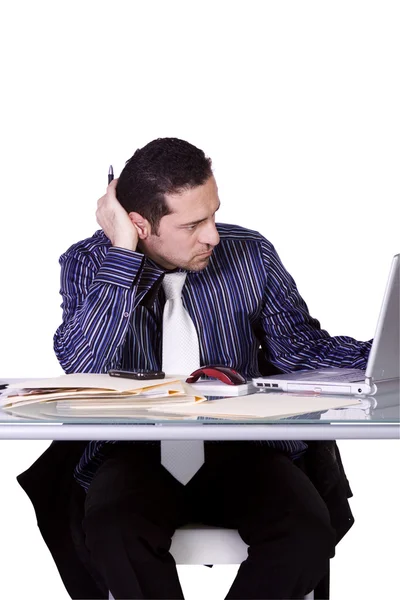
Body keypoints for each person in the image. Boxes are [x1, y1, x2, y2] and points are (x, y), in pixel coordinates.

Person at [18, 138, 371, 600]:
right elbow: (85, 367)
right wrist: (123, 254)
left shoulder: (251, 254)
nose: (213, 236)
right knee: (113, 532)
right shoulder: (89, 263)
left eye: (213, 214)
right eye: (193, 224)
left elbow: (301, 349)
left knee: (306, 533)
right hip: (134, 454)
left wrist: (379, 352)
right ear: (139, 224)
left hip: (245, 449)